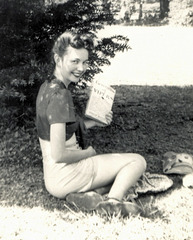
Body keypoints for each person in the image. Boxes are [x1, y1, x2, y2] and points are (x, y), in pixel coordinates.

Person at [36, 31, 146, 216]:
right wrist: (88, 153)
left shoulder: (48, 87)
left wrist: (94, 122)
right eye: (75, 61)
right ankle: (113, 203)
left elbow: (63, 131)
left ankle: (91, 195)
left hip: (54, 178)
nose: (81, 67)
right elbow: (59, 154)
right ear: (58, 59)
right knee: (137, 162)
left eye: (85, 62)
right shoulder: (60, 95)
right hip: (68, 174)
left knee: (123, 176)